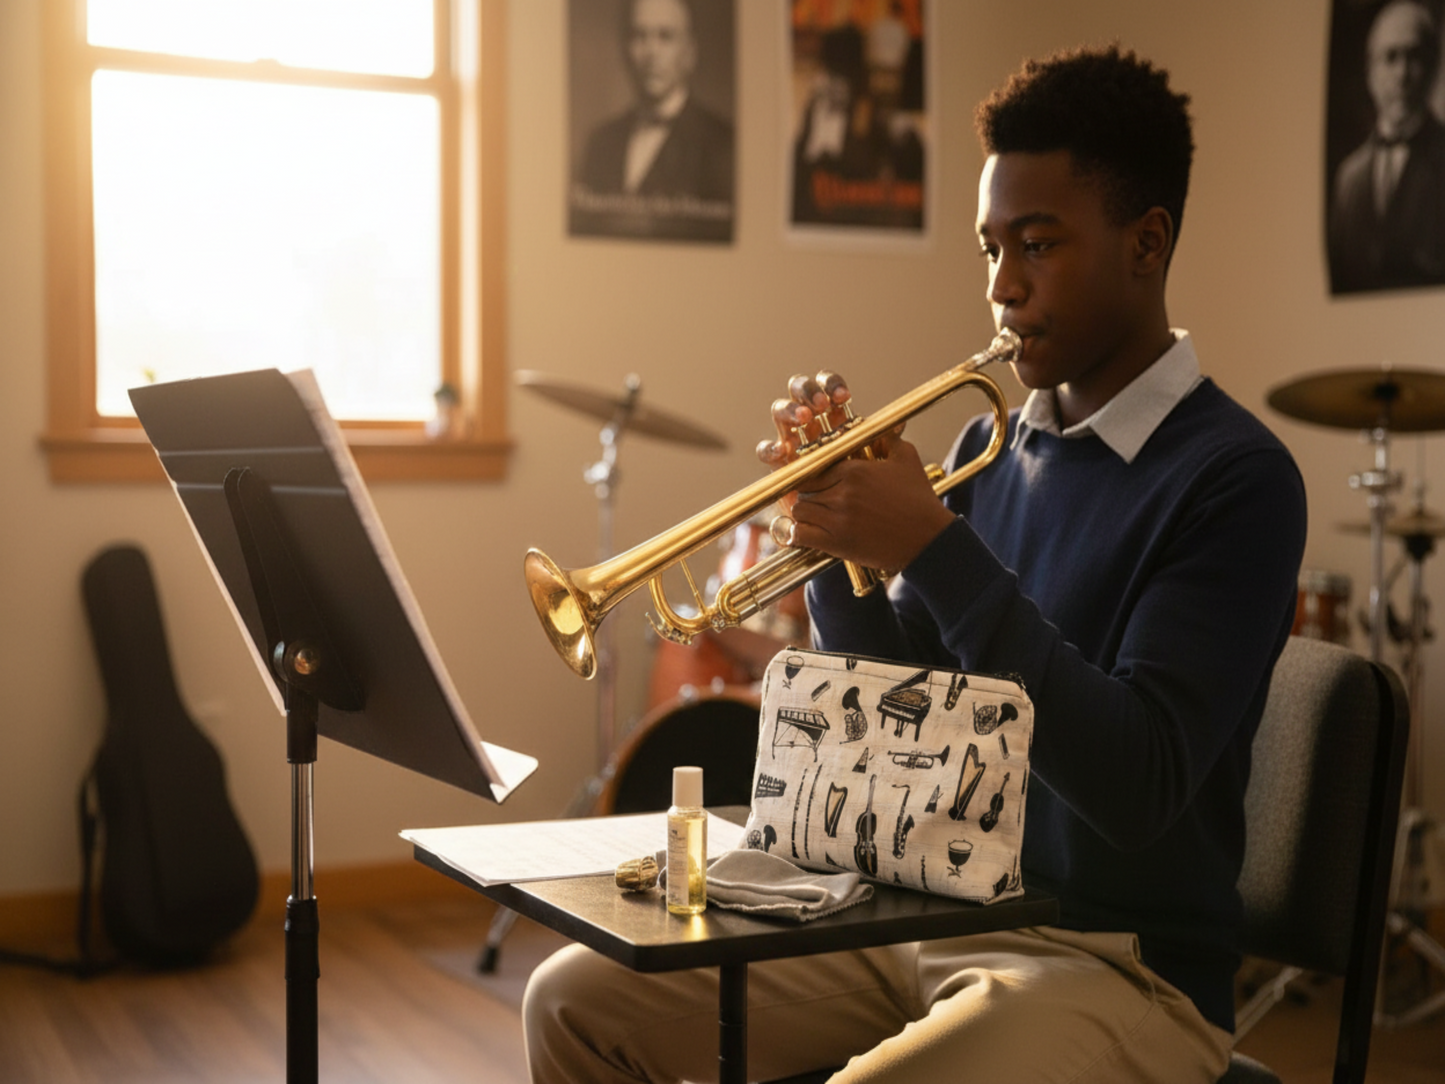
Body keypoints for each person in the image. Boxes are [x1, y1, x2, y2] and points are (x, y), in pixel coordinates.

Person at [524, 45, 1307, 1082]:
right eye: (988, 249)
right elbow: (897, 724)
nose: (1000, 286)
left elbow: (1133, 785)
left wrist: (931, 547)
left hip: (1122, 968)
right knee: (573, 1001)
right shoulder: (998, 452)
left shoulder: (1234, 480)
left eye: (1035, 245)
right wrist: (829, 549)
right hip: (929, 915)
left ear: (1144, 243)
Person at [572, 0, 733, 223]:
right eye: (639, 36)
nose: (651, 52)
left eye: (665, 36)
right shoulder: (601, 142)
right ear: (625, 49)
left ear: (689, 52)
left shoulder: (722, 145)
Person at [1329, 0, 1445, 292]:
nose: (1402, 75)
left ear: (1432, 67)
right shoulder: (1348, 178)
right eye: (1391, 57)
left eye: (1414, 57)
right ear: (1370, 71)